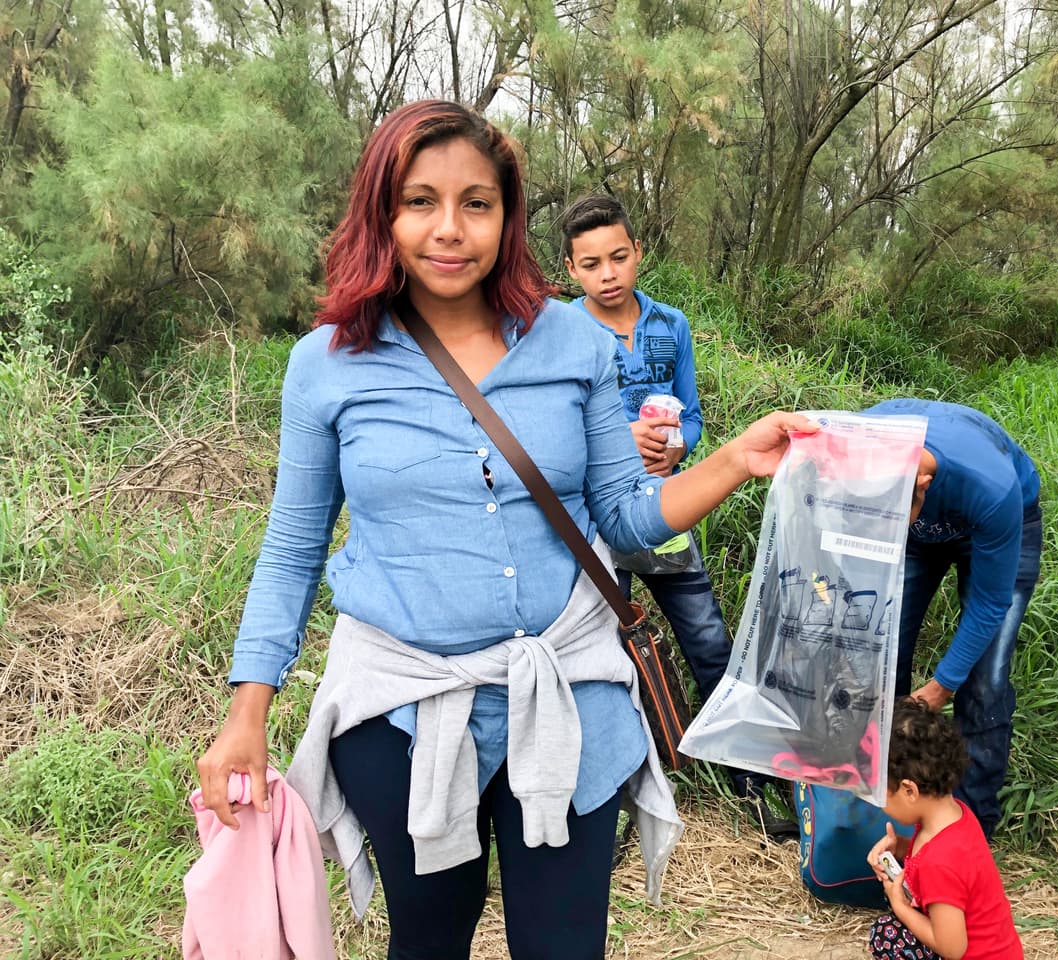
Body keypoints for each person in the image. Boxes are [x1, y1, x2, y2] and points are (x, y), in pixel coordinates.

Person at [194, 99, 816, 960]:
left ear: (506, 216)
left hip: (569, 696)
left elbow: (628, 515)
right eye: (420, 201)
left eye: (476, 203)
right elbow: (293, 548)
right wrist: (246, 712)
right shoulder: (328, 365)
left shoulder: (573, 344)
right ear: (383, 210)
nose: (449, 230)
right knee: (429, 942)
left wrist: (737, 460)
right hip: (404, 710)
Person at [560, 194, 791, 829]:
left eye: (617, 257)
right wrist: (615, 442)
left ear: (638, 254)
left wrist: (677, 444)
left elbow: (690, 413)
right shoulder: (565, 334)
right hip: (602, 522)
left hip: (668, 511)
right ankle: (620, 796)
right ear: (571, 271)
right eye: (590, 264)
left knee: (709, 642)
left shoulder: (671, 325)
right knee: (605, 656)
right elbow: (554, 430)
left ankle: (749, 785)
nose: (607, 274)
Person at [861, 399, 1041, 841]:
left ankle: (969, 830)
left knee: (985, 680)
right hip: (926, 529)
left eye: (901, 514)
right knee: (880, 660)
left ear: (923, 482)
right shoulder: (857, 448)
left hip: (1002, 524)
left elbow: (990, 604)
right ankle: (880, 805)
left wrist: (941, 686)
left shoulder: (991, 487)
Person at [865, 697, 1024, 960]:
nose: (879, 803)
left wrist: (900, 906)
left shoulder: (940, 863)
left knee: (886, 936)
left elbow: (952, 948)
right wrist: (902, 848)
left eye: (881, 793)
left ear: (909, 790)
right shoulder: (953, 814)